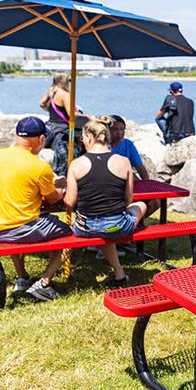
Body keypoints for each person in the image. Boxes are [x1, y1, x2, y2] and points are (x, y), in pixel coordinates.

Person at [0, 117, 71, 302]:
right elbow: (53, 198)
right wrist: (63, 188)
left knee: (16, 217)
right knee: (72, 236)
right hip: (18, 228)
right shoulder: (39, 166)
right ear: (41, 139)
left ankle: (22, 277)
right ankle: (43, 283)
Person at [64, 119, 147, 287]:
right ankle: (120, 269)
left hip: (85, 228)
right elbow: (128, 200)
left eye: (82, 137)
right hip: (117, 226)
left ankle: (119, 273)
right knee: (141, 205)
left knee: (102, 225)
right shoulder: (124, 162)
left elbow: (70, 202)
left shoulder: (76, 164)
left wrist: (64, 191)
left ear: (88, 136)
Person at [105, 114, 159, 217]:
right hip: (110, 186)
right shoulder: (102, 146)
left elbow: (140, 167)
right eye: (115, 129)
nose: (119, 133)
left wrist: (146, 185)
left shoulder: (128, 145)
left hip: (127, 183)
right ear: (107, 130)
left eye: (122, 129)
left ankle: (135, 223)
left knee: (155, 202)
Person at [39, 73, 84, 176]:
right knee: (67, 158)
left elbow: (41, 104)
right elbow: (71, 114)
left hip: (51, 127)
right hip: (63, 130)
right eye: (69, 81)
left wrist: (52, 112)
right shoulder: (65, 94)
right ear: (64, 81)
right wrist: (88, 117)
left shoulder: (51, 92)